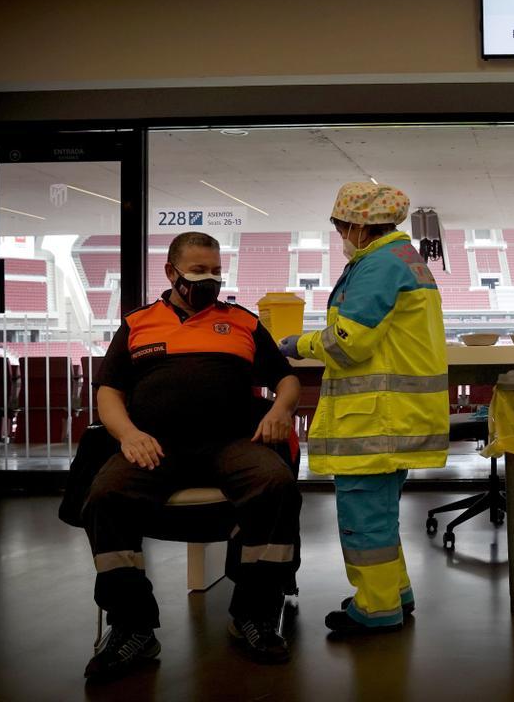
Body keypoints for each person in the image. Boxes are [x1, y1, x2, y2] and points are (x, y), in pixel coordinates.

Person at [83, 232, 302, 680]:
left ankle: (254, 614)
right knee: (106, 495)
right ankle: (133, 625)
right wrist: (128, 434)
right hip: (155, 446)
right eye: (199, 271)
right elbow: (109, 392)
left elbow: (287, 380)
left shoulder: (241, 322)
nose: (210, 280)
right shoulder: (138, 323)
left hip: (231, 443)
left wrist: (280, 410)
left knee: (276, 484)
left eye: (216, 271)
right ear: (171, 272)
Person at [279, 182, 449, 635]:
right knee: (381, 514)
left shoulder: (377, 266)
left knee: (364, 519)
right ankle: (396, 592)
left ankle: (375, 609)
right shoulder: (401, 261)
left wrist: (297, 344)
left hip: (376, 421)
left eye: (339, 228)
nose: (340, 236)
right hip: (395, 417)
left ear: (356, 225)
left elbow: (347, 342)